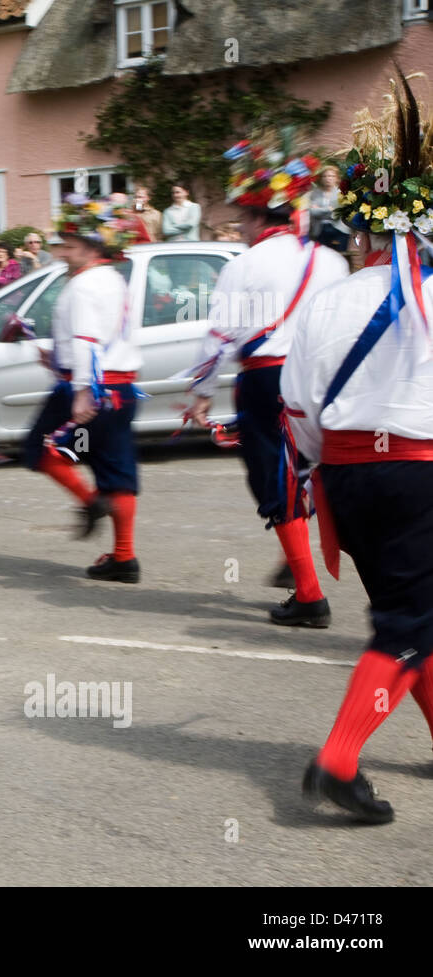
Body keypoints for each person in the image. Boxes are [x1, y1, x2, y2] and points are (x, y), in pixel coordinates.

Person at [286, 77, 433, 823]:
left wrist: (328, 466)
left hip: (346, 473)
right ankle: (339, 758)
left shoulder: (326, 301)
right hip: (416, 476)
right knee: (408, 623)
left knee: (413, 614)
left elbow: (298, 413)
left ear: (367, 234)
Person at [185, 133, 349, 626]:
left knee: (275, 479)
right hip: (327, 379)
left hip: (269, 382)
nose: (239, 228)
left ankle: (309, 596)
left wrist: (199, 395)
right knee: (316, 469)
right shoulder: (332, 259)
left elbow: (218, 338)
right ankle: (301, 557)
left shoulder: (245, 265)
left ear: (259, 218)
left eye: (242, 218)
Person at [23, 197, 145, 582]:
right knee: (116, 468)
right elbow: (100, 339)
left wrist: (80, 390)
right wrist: (57, 360)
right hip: (122, 388)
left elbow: (88, 339)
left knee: (39, 448)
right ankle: (124, 557)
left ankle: (92, 503)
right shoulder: (112, 279)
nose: (61, 252)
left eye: (69, 246)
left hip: (91, 387)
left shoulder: (84, 285)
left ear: (92, 248)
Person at [308, 165, 351, 254]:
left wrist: (320, 210)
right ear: (321, 178)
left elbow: (337, 214)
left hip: (339, 229)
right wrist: (329, 209)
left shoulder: (342, 193)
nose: (328, 178)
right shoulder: (315, 193)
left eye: (331, 176)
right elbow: (313, 212)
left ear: (336, 178)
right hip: (320, 229)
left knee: (340, 256)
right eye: (325, 176)